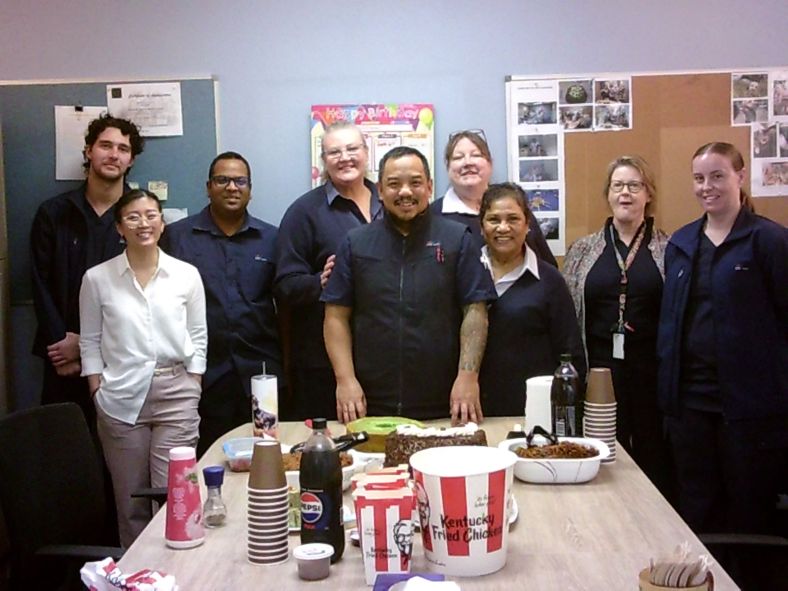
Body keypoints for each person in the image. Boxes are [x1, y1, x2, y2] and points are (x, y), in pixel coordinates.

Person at [657, 142, 787, 540]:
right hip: (690, 407)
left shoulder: (769, 241)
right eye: (699, 178)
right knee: (697, 512)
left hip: (750, 412)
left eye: (718, 176)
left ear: (740, 177)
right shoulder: (681, 244)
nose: (707, 187)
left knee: (750, 514)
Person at [321, 146, 496, 425]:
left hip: (445, 405)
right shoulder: (356, 243)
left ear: (429, 187)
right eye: (394, 184)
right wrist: (345, 380)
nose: (405, 192)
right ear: (380, 190)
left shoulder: (457, 239)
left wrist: (467, 377)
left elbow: (475, 310)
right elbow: (335, 317)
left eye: (415, 182)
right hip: (370, 404)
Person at [79, 190, 207, 547]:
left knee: (175, 498)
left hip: (176, 393)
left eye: (151, 215)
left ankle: (178, 575)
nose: (143, 223)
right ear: (119, 227)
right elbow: (90, 341)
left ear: (162, 223)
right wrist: (96, 390)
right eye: (133, 217)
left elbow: (198, 334)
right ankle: (137, 580)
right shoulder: (97, 279)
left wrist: (193, 381)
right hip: (120, 397)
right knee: (131, 500)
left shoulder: (186, 275)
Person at [563, 155, 671, 494]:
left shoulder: (671, 249)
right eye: (618, 186)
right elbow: (569, 314)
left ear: (648, 194)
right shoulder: (582, 250)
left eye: (634, 186)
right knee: (603, 455)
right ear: (608, 194)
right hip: (598, 371)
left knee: (655, 456)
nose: (626, 193)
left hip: (652, 372)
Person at [161, 152, 281, 456]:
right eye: (222, 180)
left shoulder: (272, 238)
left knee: (265, 456)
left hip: (260, 373)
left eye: (240, 181)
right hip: (202, 374)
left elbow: (286, 304)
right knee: (208, 461)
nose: (232, 187)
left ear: (250, 189)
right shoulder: (177, 237)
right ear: (208, 186)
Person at [30, 114, 144, 424]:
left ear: (131, 160)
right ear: (88, 152)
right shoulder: (53, 213)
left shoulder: (141, 219)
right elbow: (39, 282)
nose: (113, 154)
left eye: (122, 148)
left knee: (119, 463)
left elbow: (144, 293)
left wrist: (86, 347)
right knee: (65, 452)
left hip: (121, 360)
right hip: (62, 360)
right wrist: (61, 346)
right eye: (105, 145)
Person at [275, 122, 382, 420]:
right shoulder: (304, 212)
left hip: (383, 357)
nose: (344, 157)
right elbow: (284, 286)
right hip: (323, 365)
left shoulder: (390, 203)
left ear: (366, 152)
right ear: (323, 160)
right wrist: (319, 282)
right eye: (334, 151)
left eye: (352, 148)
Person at [478, 183, 585, 417]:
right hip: (471, 411)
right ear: (481, 226)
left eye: (513, 219)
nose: (503, 227)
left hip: (533, 413)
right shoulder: (467, 272)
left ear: (527, 225)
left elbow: (570, 353)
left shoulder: (549, 280)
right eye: (494, 219)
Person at [430, 129, 557, 266]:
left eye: (476, 155)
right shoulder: (433, 216)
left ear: (490, 163)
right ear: (448, 167)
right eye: (458, 157)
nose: (467, 162)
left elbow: (546, 266)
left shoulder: (515, 206)